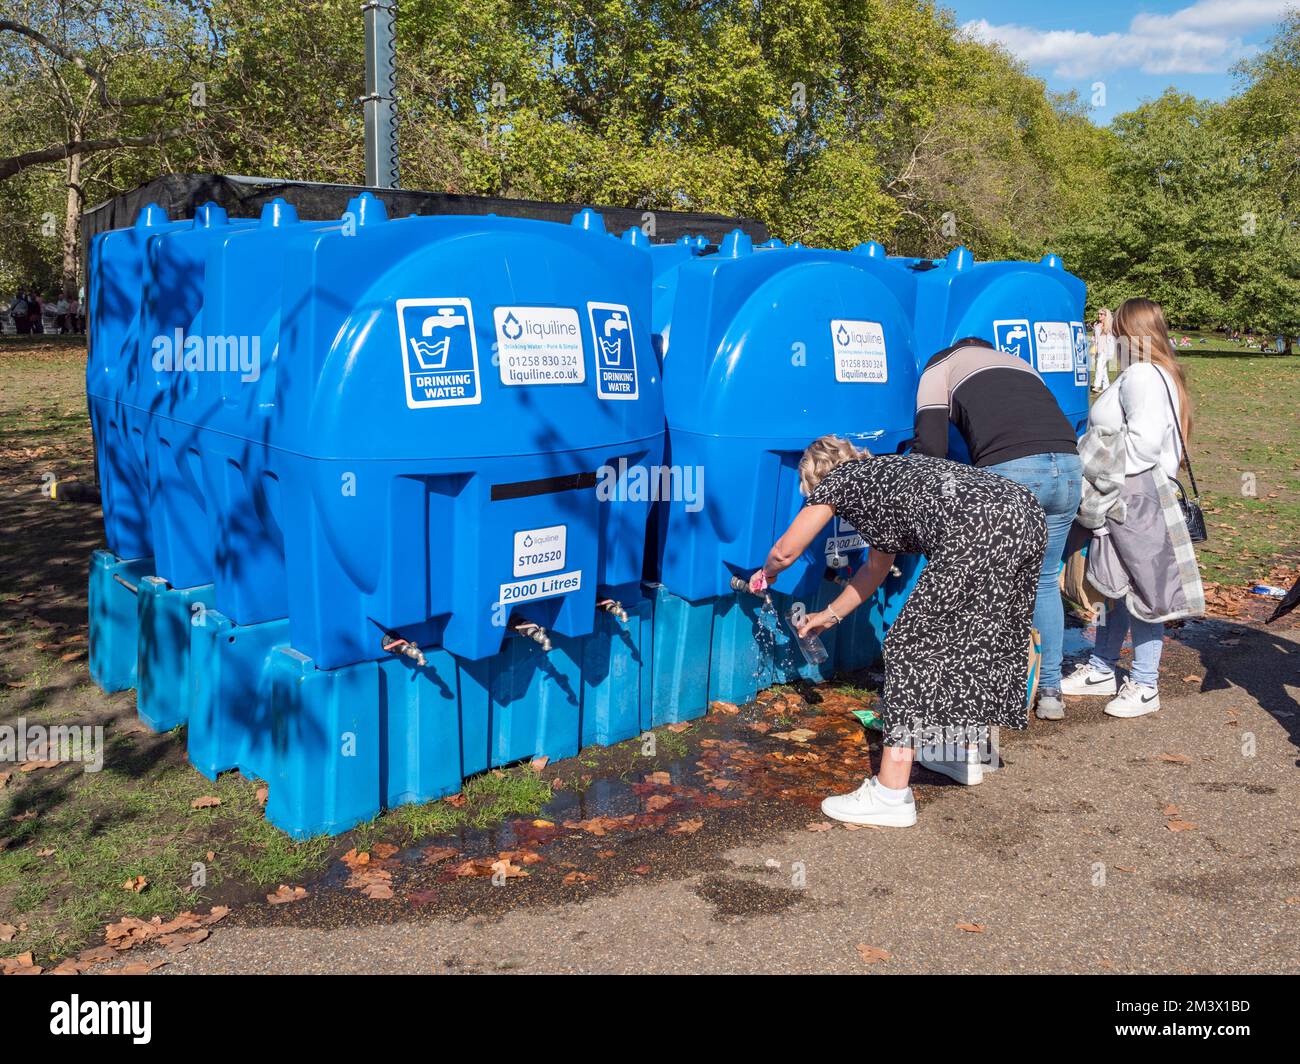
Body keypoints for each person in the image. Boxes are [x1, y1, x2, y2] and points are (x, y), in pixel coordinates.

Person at [751, 438, 1046, 827]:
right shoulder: (886, 477)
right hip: (1024, 512)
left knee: (909, 646)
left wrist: (767, 571)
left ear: (816, 477)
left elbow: (786, 550)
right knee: (973, 638)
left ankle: (891, 793)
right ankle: (958, 752)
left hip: (977, 525)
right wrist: (829, 615)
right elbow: (875, 568)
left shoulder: (840, 480)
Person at [911, 336, 1082, 721]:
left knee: (986, 585)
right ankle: (1050, 691)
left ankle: (979, 697)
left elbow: (930, 450)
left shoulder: (939, 367)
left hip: (1014, 471)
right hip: (1069, 469)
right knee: (1043, 580)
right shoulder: (1019, 364)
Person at [1065, 298, 1204, 717]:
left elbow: (1141, 445)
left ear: (1131, 333)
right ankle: (1104, 667)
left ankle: (1145, 683)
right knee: (1116, 588)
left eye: (1115, 330)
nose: (1109, 336)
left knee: (1143, 590)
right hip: (1132, 492)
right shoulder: (1158, 373)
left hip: (1134, 493)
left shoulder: (1143, 375)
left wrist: (1092, 460)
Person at [1092, 308, 1115, 391]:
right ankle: (1106, 386)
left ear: (1106, 316)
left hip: (1106, 350)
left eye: (1101, 314)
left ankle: (1097, 386)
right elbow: (1094, 337)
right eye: (1099, 314)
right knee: (1103, 368)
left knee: (1099, 366)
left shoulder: (1109, 327)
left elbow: (1111, 340)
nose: (1099, 316)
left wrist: (1109, 351)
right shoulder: (1097, 326)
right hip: (1099, 349)